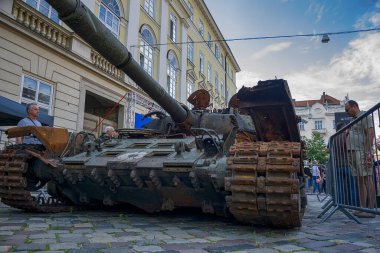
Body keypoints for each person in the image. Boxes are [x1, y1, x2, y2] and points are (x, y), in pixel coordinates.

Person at [345, 100, 376, 218]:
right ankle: (362, 207)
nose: (346, 112)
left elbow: (371, 133)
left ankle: (371, 209)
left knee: (367, 178)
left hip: (361, 151)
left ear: (354, 106)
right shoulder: (353, 120)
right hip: (352, 151)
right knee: (359, 180)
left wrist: (368, 152)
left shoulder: (364, 116)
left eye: (347, 109)